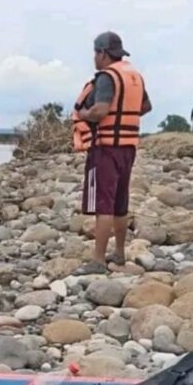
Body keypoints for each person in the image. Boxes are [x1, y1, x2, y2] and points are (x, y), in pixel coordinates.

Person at [72, 31, 152, 272]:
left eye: (95, 53)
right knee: (120, 202)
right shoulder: (133, 76)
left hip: (106, 148)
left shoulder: (107, 77)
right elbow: (146, 106)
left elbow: (100, 111)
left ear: (102, 53)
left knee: (103, 204)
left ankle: (97, 260)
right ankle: (119, 253)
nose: (94, 58)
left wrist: (83, 114)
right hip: (128, 146)